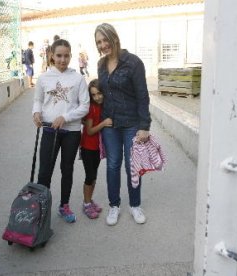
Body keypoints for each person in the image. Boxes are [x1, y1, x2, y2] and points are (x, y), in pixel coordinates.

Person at [94, 23, 151, 226]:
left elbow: (142, 95)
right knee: (112, 164)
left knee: (132, 165)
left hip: (132, 124)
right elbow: (100, 94)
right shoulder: (101, 65)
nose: (103, 45)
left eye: (105, 39)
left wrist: (144, 125)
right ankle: (114, 205)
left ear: (114, 38)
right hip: (110, 123)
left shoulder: (133, 62)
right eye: (99, 42)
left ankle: (135, 205)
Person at [32, 39, 89, 223]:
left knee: (67, 169)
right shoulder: (43, 78)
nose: (62, 60)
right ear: (51, 56)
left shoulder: (78, 78)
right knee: (44, 172)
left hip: (71, 132)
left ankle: (64, 206)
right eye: (58, 55)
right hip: (49, 130)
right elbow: (38, 100)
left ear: (71, 56)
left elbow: (85, 106)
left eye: (66, 56)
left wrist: (65, 117)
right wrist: (36, 112)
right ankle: (40, 208)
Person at [80, 79, 112, 219]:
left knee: (94, 176)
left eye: (99, 93)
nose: (97, 97)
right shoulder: (91, 108)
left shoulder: (102, 106)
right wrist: (104, 123)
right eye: (94, 95)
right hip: (88, 148)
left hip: (97, 148)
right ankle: (86, 204)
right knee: (89, 177)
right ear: (90, 96)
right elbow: (90, 131)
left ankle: (90, 200)